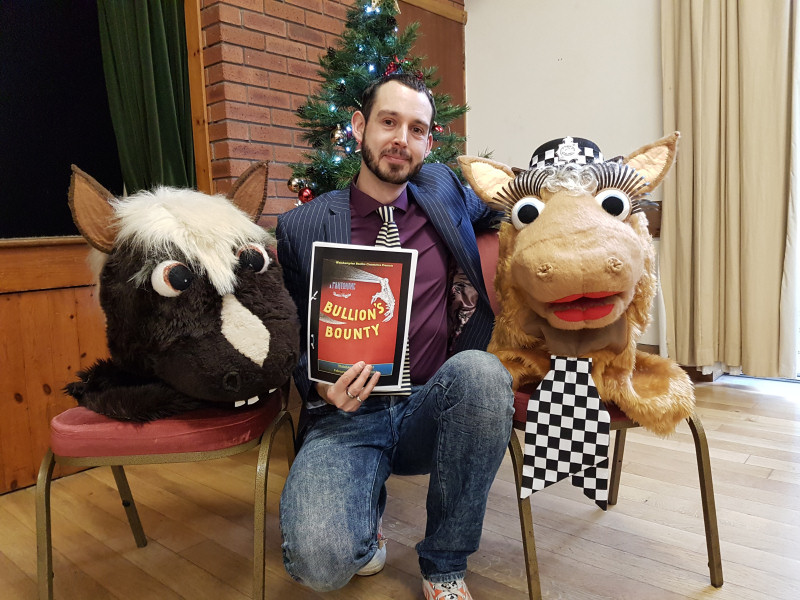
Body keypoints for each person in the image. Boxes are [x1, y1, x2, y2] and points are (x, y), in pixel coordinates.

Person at [276, 72, 514, 600]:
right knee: (319, 565)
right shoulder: (303, 226)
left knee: (482, 371)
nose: (400, 139)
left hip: (435, 402)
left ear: (429, 142)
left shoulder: (445, 191)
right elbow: (287, 336)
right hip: (346, 413)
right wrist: (316, 385)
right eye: (388, 122)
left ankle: (445, 564)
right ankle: (364, 519)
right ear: (361, 126)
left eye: (417, 129)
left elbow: (509, 203)